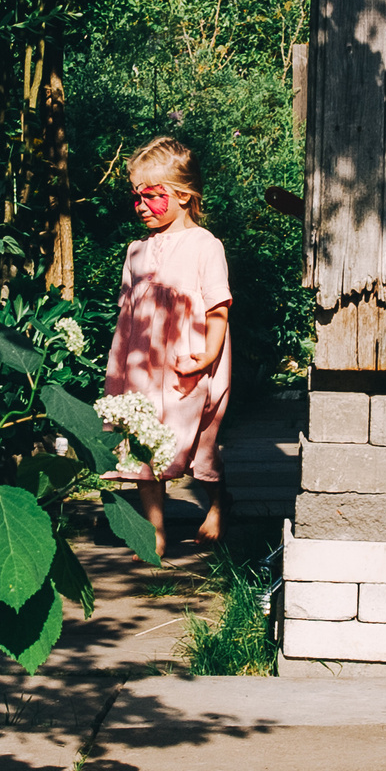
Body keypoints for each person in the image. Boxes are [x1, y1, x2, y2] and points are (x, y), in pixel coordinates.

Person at [104, 136, 233, 545]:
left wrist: (208, 355)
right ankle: (155, 533)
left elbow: (218, 308)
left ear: (183, 195)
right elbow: (130, 315)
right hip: (141, 367)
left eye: (152, 196)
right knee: (144, 441)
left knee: (194, 444)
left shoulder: (205, 245)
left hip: (187, 364)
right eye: (136, 196)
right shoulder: (135, 252)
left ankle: (217, 502)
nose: (141, 205)